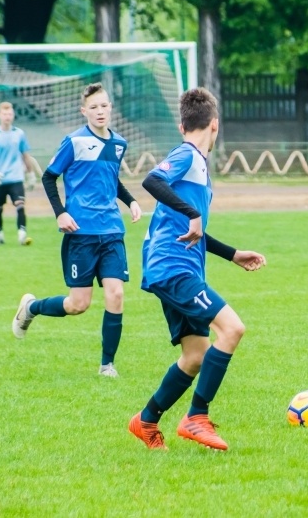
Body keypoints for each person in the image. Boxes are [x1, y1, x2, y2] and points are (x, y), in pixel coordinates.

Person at [129, 87, 266, 451]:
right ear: (215, 125)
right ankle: (196, 417)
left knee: (195, 356)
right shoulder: (188, 155)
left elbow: (194, 229)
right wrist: (192, 212)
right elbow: (151, 180)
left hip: (173, 268)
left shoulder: (197, 166)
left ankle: (146, 420)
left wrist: (232, 254)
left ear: (182, 125)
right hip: (173, 268)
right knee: (232, 329)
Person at [11, 83, 142, 378]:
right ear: (84, 111)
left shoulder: (119, 144)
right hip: (81, 233)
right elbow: (49, 177)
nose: (100, 111)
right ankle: (31, 307)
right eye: (93, 107)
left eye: (104, 105)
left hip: (112, 230)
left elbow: (112, 179)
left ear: (111, 108)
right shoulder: (74, 141)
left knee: (116, 294)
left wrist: (131, 201)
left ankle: (107, 365)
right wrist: (61, 213)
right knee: (78, 304)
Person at [0, 101, 40, 245]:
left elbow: (26, 155)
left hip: (16, 178)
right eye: (4, 114)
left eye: (10, 114)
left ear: (13, 115)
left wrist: (31, 174)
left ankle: (22, 234)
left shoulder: (19, 134)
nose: (7, 116)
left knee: (20, 205)